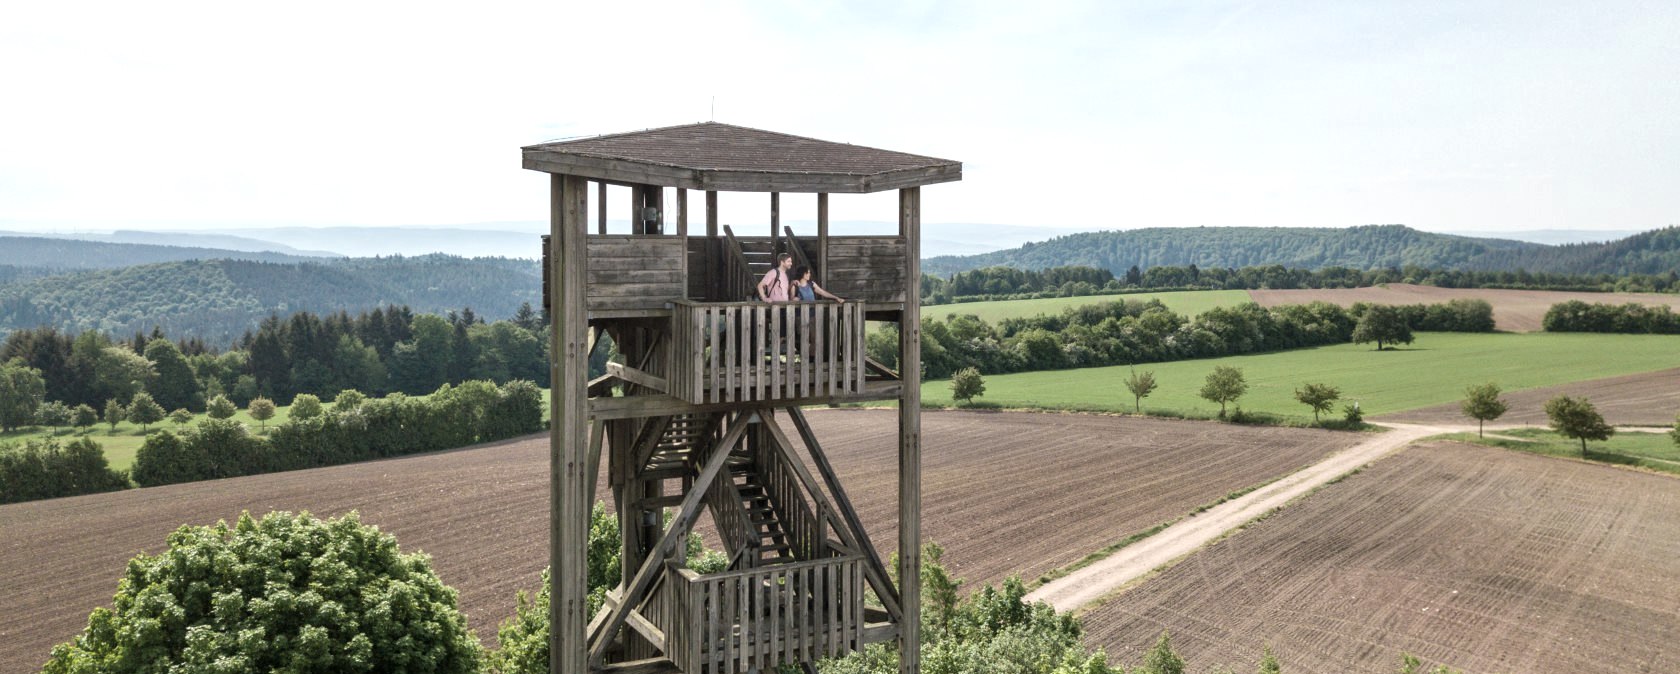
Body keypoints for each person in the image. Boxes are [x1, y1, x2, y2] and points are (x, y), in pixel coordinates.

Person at [790, 265, 844, 356]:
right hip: (800, 316)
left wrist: (836, 298)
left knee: (816, 339)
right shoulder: (795, 286)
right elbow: (791, 300)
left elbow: (823, 292)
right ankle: (804, 359)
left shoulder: (811, 284)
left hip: (812, 316)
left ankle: (810, 359)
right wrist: (794, 299)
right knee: (804, 339)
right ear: (803, 274)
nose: (809, 274)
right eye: (808, 272)